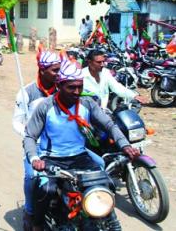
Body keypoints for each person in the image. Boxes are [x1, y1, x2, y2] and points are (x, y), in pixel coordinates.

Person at [23, 60, 140, 231]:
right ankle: (37, 223)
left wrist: (124, 145)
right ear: (60, 85)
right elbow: (29, 136)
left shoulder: (87, 104)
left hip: (79, 156)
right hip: (51, 158)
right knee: (46, 189)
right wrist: (34, 158)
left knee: (104, 183)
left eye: (80, 86)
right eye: (71, 87)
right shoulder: (46, 106)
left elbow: (109, 125)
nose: (77, 91)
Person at [12, 51, 61, 229]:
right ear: (42, 70)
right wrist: (29, 134)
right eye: (55, 70)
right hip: (36, 145)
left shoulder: (63, 89)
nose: (59, 73)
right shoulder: (27, 93)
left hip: (59, 144)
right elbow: (16, 122)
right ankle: (30, 210)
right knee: (32, 176)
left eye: (60, 69)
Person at [82, 50, 147, 109]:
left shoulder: (105, 73)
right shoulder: (81, 75)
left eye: (103, 61)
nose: (102, 64)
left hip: (102, 111)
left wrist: (134, 95)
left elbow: (117, 87)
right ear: (90, 62)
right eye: (99, 62)